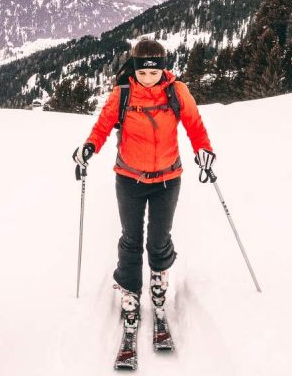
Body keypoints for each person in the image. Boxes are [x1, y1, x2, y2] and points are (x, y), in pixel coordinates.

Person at [72, 38, 215, 327]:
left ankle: (159, 280)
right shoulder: (122, 94)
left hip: (168, 178)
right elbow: (102, 126)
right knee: (131, 238)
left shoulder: (177, 92)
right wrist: (88, 147)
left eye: (153, 73)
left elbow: (194, 124)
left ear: (163, 69)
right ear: (134, 70)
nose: (148, 79)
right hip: (129, 179)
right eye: (142, 73)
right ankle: (130, 290)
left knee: (159, 239)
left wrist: (204, 149)